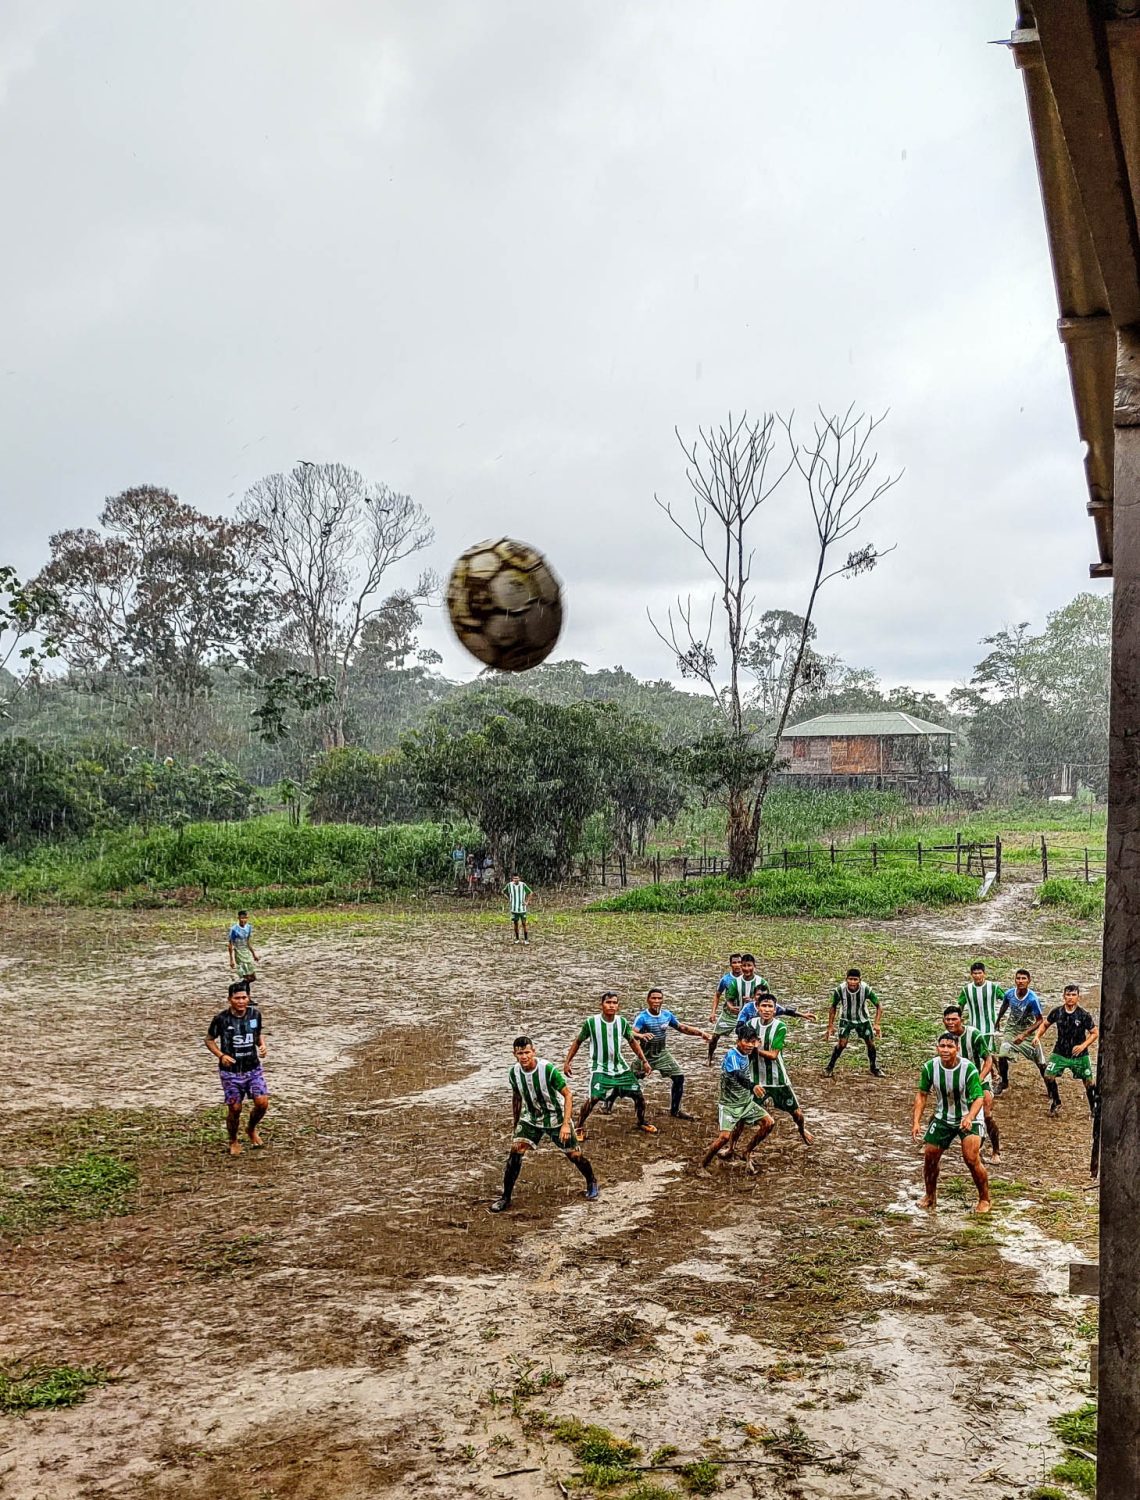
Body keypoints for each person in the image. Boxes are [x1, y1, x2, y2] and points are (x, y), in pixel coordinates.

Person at [489, 1036, 598, 1213]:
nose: (524, 1057)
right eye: (520, 1053)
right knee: (516, 1151)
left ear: (533, 1052)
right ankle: (506, 1197)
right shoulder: (514, 1073)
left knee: (574, 1155)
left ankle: (591, 1180)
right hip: (531, 1117)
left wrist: (564, 1125)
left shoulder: (547, 1069)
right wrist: (516, 1123)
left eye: (526, 1052)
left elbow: (568, 1095)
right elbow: (517, 1098)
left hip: (555, 1117)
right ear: (514, 1054)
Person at [911, 1031, 991, 1213]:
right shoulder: (930, 1067)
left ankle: (984, 1199)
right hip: (943, 1117)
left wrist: (969, 1118)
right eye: (942, 1046)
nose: (945, 1050)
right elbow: (922, 1095)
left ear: (958, 1049)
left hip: (969, 1115)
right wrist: (916, 1122)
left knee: (971, 1158)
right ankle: (930, 1196)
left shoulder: (968, 1068)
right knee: (930, 1155)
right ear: (937, 1048)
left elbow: (979, 1098)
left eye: (950, 1046)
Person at [564, 992, 656, 1136]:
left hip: (620, 1068)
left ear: (618, 1006)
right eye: (608, 1002)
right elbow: (578, 1041)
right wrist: (567, 1062)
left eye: (614, 1003)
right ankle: (579, 1126)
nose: (611, 1005)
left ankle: (641, 1122)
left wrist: (644, 1061)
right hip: (600, 1067)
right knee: (593, 1098)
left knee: (638, 1095)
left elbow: (632, 1042)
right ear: (601, 1005)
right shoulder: (591, 1022)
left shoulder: (622, 1022)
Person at [627, 987, 711, 1121]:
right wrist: (641, 1035)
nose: (656, 1001)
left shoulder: (666, 1015)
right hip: (645, 1055)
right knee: (628, 1080)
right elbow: (631, 1033)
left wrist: (701, 1033)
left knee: (679, 1077)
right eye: (653, 998)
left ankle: (675, 1110)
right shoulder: (642, 1017)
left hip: (661, 1053)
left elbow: (682, 1027)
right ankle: (609, 1101)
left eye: (659, 998)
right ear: (648, 1000)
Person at [206, 981, 269, 1157]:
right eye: (237, 998)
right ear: (229, 999)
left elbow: (257, 1035)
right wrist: (221, 1055)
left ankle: (251, 1129)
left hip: (253, 1068)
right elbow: (209, 1040)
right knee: (235, 1108)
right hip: (231, 1072)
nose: (241, 1001)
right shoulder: (221, 1019)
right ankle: (233, 1140)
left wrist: (262, 1044)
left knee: (262, 1103)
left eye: (244, 997)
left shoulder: (255, 1015)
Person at [700, 1029, 774, 1173]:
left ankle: (746, 1151)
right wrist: (752, 1086)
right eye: (746, 1041)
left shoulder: (751, 1051)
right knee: (724, 1137)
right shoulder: (731, 1056)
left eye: (753, 1042)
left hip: (746, 1102)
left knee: (769, 1123)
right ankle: (702, 1165)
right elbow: (738, 1075)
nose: (749, 1045)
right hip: (729, 1104)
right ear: (738, 1041)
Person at [747, 996, 814, 1145]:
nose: (767, 1010)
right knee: (741, 1118)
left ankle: (802, 1130)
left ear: (775, 1009)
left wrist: (754, 1049)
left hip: (778, 1079)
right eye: (764, 1006)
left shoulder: (780, 1027)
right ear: (757, 1007)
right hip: (756, 1079)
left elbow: (773, 1055)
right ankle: (732, 1148)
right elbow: (743, 1045)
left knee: (797, 1113)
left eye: (770, 1007)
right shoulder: (750, 1024)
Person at [994, 969, 1060, 1110]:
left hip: (1029, 1033)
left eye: (1024, 978)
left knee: (1041, 1063)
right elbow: (1005, 1005)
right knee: (1002, 1053)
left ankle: (1050, 1088)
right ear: (1015, 980)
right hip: (1012, 1030)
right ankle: (1004, 1081)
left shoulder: (1032, 999)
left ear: (1029, 981)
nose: (1020, 981)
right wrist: (998, 1019)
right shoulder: (1010, 994)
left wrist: (1024, 1035)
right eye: (1018, 978)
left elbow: (1039, 1021)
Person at [942, 1004, 1001, 1162]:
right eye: (947, 1019)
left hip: (978, 1076)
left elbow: (988, 1059)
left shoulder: (973, 1034)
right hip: (958, 1079)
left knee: (987, 1113)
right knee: (944, 1107)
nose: (951, 1022)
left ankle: (996, 1151)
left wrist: (980, 1078)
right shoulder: (945, 1038)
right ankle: (931, 1141)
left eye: (954, 1019)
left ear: (961, 1020)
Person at [1035, 985, 1099, 1119]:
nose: (1070, 998)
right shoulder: (1057, 1012)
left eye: (1073, 995)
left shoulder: (1083, 1015)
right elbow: (1045, 1024)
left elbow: (1094, 1033)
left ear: (1078, 997)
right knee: (1048, 1076)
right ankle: (1056, 1102)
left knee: (1089, 1082)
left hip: (1079, 1055)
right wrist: (1037, 1036)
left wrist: (1083, 1045)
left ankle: (1093, 1108)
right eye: (1068, 995)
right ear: (1063, 996)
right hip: (1060, 1052)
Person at [708, 953, 767, 1065]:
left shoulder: (760, 982)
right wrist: (714, 1012)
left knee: (749, 1038)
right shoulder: (728, 980)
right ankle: (709, 1058)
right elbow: (720, 996)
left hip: (748, 1014)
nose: (738, 965)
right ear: (730, 964)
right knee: (715, 1036)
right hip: (730, 1014)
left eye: (739, 962)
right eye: (734, 963)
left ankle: (747, 1061)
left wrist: (752, 1001)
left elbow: (766, 999)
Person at [825, 969, 883, 1077]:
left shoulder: (866, 989)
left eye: (855, 979)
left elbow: (879, 1006)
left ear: (860, 980)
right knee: (842, 1044)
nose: (852, 982)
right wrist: (830, 1026)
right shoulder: (839, 990)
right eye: (850, 979)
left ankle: (874, 1067)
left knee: (870, 1043)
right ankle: (830, 1067)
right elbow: (833, 1007)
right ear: (846, 979)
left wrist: (876, 1023)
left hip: (863, 1019)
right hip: (846, 1019)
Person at [957, 961, 1005, 1053]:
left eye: (980, 973)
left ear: (984, 974)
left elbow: (1006, 1000)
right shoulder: (966, 989)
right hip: (974, 1026)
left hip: (990, 1026)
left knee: (988, 1051)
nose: (977, 976)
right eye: (975, 973)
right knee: (978, 1051)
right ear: (971, 975)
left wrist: (999, 1018)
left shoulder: (993, 987)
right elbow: (960, 1006)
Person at [227, 910, 260, 988]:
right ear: (238, 918)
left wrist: (254, 954)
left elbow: (248, 942)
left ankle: (239, 986)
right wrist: (231, 960)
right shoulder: (234, 929)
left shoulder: (248, 927)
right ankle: (246, 994)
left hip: (246, 952)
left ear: (247, 918)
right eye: (241, 918)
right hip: (239, 953)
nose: (243, 920)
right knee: (245, 976)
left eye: (245, 918)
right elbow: (230, 945)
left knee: (252, 977)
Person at [505, 873, 533, 944]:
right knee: (515, 924)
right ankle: (517, 939)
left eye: (517, 878)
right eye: (514, 878)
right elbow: (503, 892)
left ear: (519, 879)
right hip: (514, 909)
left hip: (522, 909)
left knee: (524, 923)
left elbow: (530, 892)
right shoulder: (509, 885)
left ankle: (526, 939)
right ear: (512, 879)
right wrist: (509, 898)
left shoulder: (523, 885)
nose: (515, 879)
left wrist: (527, 902)